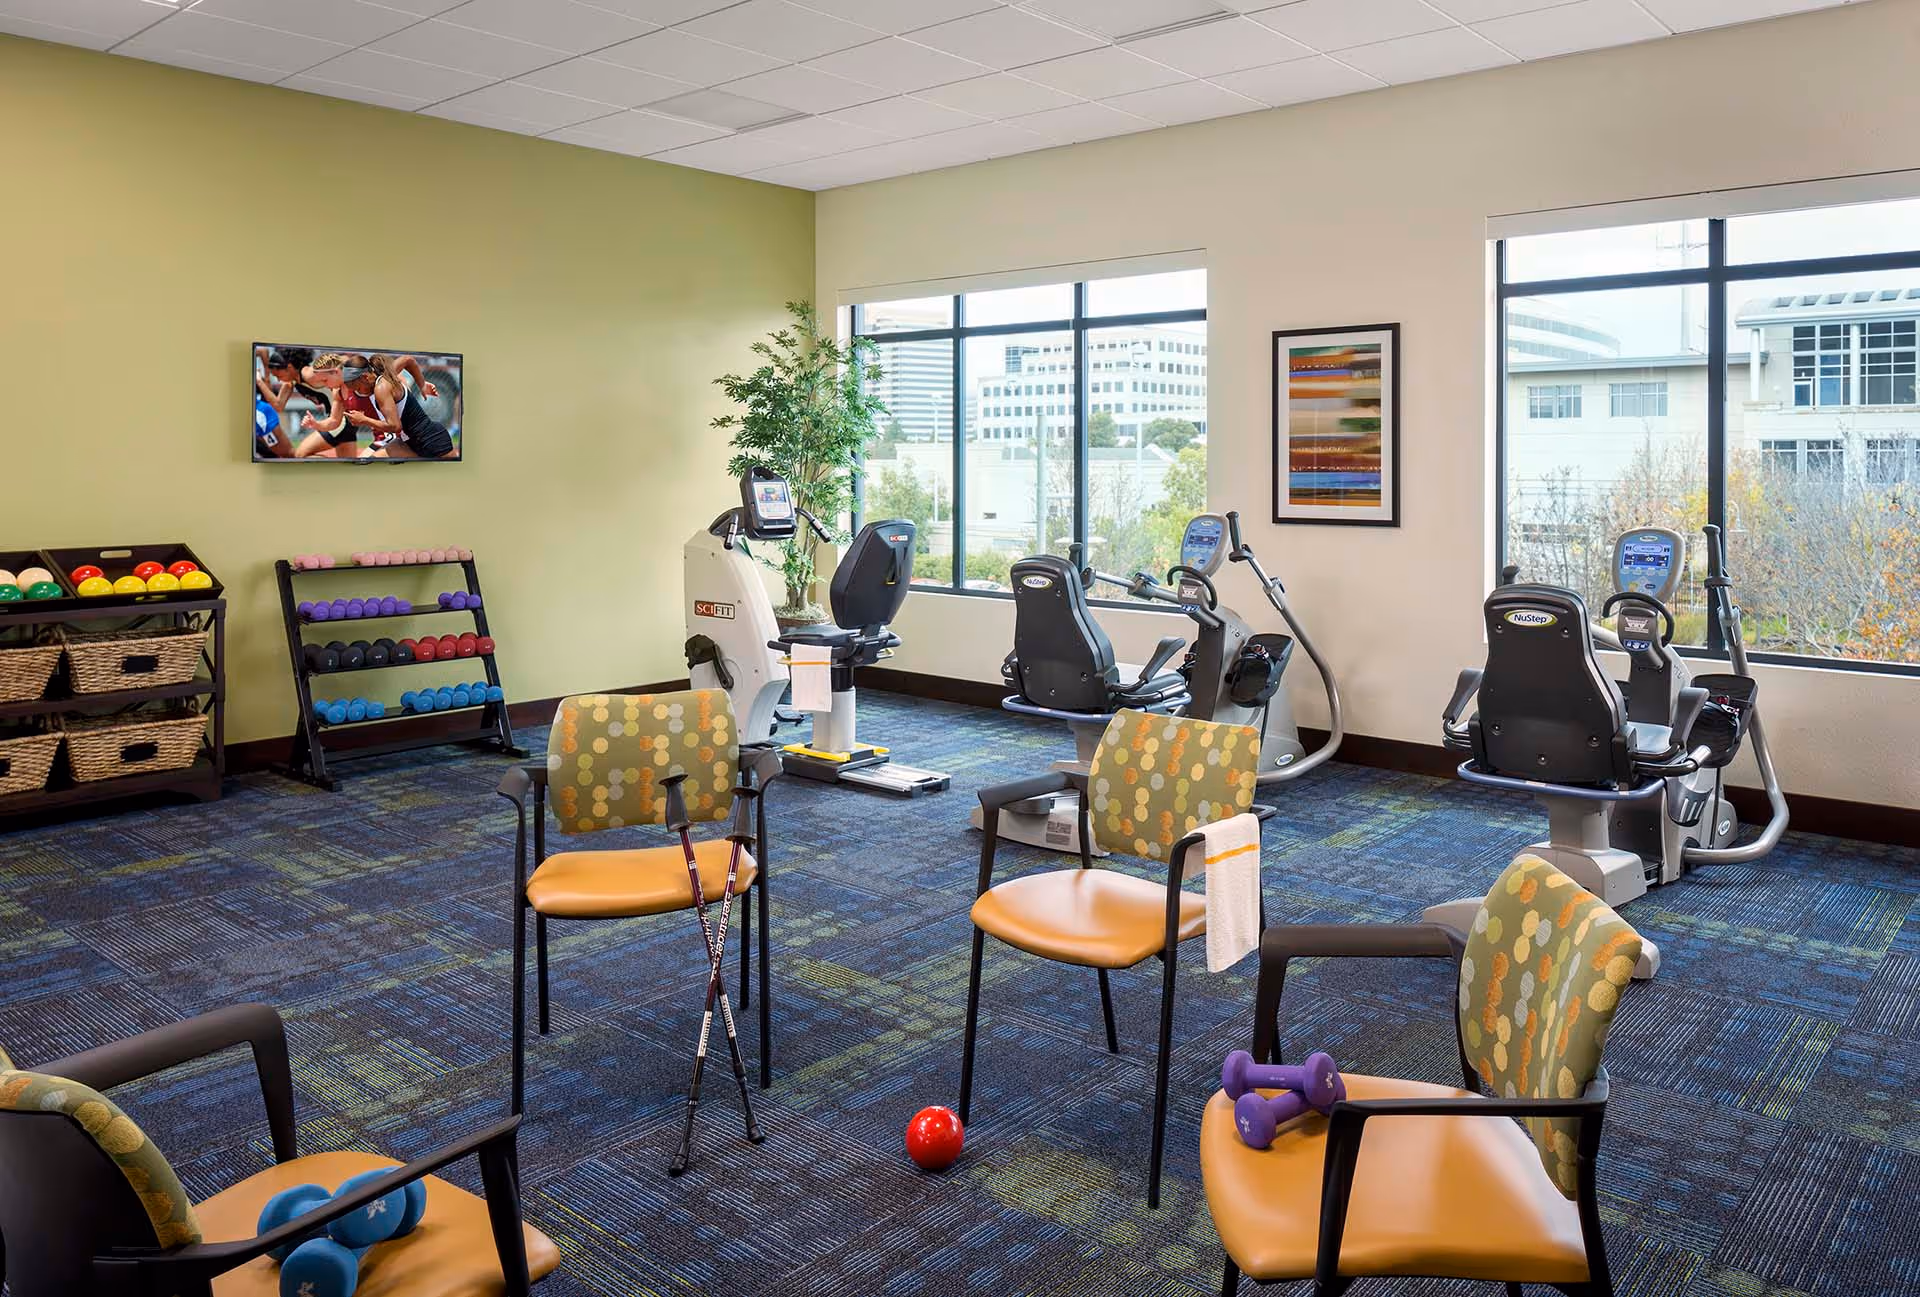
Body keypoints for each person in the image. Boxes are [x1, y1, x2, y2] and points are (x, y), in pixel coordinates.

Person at [351, 353, 458, 460]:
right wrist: (422, 385)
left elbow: (395, 426)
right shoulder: (387, 378)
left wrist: (364, 420)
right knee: (369, 462)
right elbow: (408, 360)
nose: (357, 391)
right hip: (409, 442)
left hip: (431, 440)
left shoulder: (383, 385)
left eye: (358, 387)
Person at [253, 345, 321, 459]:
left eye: (278, 375)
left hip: (340, 417)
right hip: (336, 418)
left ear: (289, 368)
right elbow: (278, 406)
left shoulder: (309, 373)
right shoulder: (289, 382)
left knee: (297, 455)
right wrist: (259, 381)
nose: (278, 380)